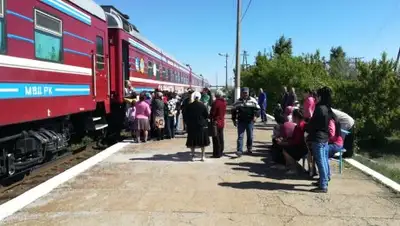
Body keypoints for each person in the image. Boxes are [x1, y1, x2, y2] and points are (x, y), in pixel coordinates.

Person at [306, 86, 332, 193]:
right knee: (324, 161)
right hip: (325, 138)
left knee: (320, 161)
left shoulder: (319, 109)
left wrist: (307, 128)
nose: (315, 97)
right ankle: (324, 180)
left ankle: (323, 185)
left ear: (320, 96)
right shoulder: (327, 108)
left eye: (316, 95)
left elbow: (313, 124)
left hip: (318, 138)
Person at [231, 87, 260, 157]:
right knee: (240, 137)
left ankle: (249, 148)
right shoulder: (238, 101)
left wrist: (256, 116)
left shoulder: (253, 100)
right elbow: (233, 111)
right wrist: (234, 120)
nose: (245, 94)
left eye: (246, 93)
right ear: (241, 93)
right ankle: (239, 151)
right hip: (241, 121)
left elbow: (258, 110)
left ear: (248, 93)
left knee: (250, 136)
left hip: (250, 121)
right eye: (244, 93)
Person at [184, 91, 210, 161]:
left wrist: (187, 123)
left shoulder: (189, 106)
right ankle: (202, 156)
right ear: (199, 97)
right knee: (202, 142)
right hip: (201, 126)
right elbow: (206, 116)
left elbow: (186, 116)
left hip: (192, 126)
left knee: (192, 141)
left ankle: (192, 156)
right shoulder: (202, 105)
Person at [210, 90, 227, 158]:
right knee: (221, 137)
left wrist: (209, 116)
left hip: (216, 122)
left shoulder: (215, 103)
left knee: (216, 138)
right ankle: (221, 151)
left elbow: (213, 113)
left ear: (216, 95)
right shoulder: (224, 102)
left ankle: (217, 153)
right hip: (222, 122)